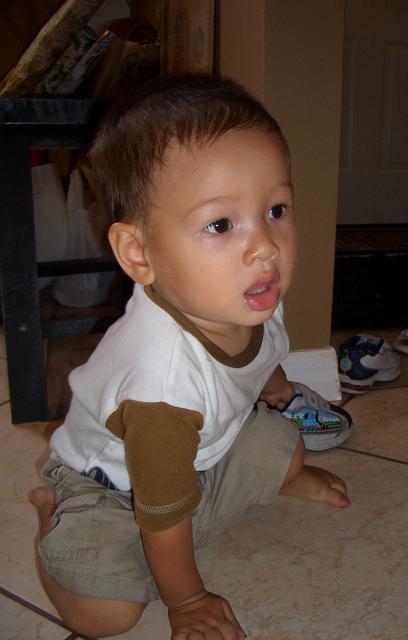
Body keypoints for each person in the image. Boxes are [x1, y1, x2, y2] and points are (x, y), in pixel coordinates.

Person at [29, 74, 350, 640]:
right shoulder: (161, 385)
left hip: (197, 454)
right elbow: (163, 507)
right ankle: (51, 515)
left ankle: (232, 491)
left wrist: (276, 387)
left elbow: (259, 354)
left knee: (285, 444)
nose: (265, 246)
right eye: (221, 224)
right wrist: (188, 599)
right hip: (109, 488)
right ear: (139, 253)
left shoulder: (246, 293)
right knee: (107, 617)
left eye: (276, 209)